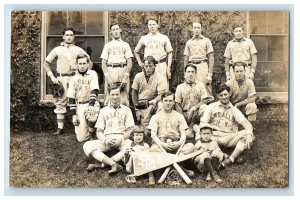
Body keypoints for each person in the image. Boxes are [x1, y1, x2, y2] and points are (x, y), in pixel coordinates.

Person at [43, 27, 93, 135]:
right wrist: (52, 77)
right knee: (61, 102)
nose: (69, 37)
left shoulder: (78, 49)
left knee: (79, 100)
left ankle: (81, 127)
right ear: (63, 36)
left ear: (74, 37)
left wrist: (84, 74)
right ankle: (60, 128)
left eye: (71, 35)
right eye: (67, 35)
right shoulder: (57, 49)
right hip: (62, 78)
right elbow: (46, 63)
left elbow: (89, 62)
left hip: (76, 78)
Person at [82, 86, 135, 175]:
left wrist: (121, 139)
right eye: (112, 94)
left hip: (122, 139)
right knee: (87, 145)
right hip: (107, 139)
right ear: (109, 96)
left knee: (133, 147)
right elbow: (99, 131)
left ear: (120, 95)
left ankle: (102, 165)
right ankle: (113, 164)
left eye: (117, 94)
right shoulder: (103, 111)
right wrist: (105, 140)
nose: (115, 97)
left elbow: (130, 130)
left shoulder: (127, 110)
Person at [200, 84, 254, 167]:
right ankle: (228, 155)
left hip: (229, 137)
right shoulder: (211, 107)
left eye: (225, 94)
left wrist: (249, 134)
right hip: (214, 136)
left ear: (229, 94)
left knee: (248, 135)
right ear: (217, 96)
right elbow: (203, 123)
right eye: (221, 95)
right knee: (199, 135)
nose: (224, 97)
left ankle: (230, 159)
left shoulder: (234, 110)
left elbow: (247, 124)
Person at [148, 92, 195, 177]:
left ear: (174, 102)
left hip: (176, 145)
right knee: (153, 149)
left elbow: (183, 135)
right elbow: (153, 135)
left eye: (170, 100)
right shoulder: (156, 117)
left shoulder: (179, 116)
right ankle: (180, 169)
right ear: (161, 102)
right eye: (165, 100)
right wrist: (163, 145)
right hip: (162, 146)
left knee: (191, 146)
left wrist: (178, 143)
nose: (168, 103)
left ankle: (167, 167)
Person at [66, 54, 100, 142]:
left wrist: (91, 105)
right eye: (80, 64)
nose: (82, 66)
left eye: (84, 63)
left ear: (88, 64)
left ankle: (93, 134)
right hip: (80, 105)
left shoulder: (92, 74)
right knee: (81, 138)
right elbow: (71, 98)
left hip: (91, 103)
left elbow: (94, 90)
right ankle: (92, 131)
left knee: (91, 114)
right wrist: (74, 115)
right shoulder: (73, 78)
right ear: (76, 64)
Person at [175, 64, 213, 139]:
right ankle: (194, 129)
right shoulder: (180, 87)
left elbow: (204, 100)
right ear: (185, 73)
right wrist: (182, 118)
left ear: (196, 74)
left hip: (197, 114)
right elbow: (177, 104)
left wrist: (195, 108)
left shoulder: (201, 85)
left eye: (192, 72)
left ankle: (202, 130)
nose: (190, 74)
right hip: (185, 115)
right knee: (188, 135)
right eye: (188, 72)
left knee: (205, 108)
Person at [134, 19, 173, 90]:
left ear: (158, 25)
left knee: (163, 87)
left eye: (154, 24)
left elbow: (169, 53)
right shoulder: (144, 38)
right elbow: (136, 51)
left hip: (161, 64)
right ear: (148, 26)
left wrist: (168, 68)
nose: (152, 26)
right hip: (148, 66)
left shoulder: (164, 37)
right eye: (150, 25)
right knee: (148, 87)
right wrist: (140, 62)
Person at [101, 23, 133, 106]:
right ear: (111, 32)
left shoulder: (125, 45)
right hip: (111, 70)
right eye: (113, 30)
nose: (115, 31)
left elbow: (129, 61)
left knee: (124, 95)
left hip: (123, 69)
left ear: (120, 30)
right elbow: (103, 64)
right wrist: (107, 77)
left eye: (117, 29)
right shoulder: (108, 45)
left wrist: (126, 76)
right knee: (109, 96)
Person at [132, 56, 168, 130]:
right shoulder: (138, 76)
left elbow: (161, 94)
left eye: (150, 66)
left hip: (154, 102)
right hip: (142, 104)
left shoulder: (159, 77)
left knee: (161, 106)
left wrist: (154, 101)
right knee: (145, 129)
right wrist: (137, 110)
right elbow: (134, 93)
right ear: (143, 66)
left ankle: (160, 130)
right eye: (146, 66)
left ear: (155, 66)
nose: (148, 69)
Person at [183, 21, 214, 98]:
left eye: (198, 28)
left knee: (206, 88)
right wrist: (185, 73)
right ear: (192, 29)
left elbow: (211, 58)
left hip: (203, 65)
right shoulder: (189, 42)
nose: (196, 30)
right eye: (195, 28)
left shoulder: (206, 41)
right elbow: (186, 59)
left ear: (201, 29)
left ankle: (207, 107)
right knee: (193, 87)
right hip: (192, 66)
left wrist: (210, 74)